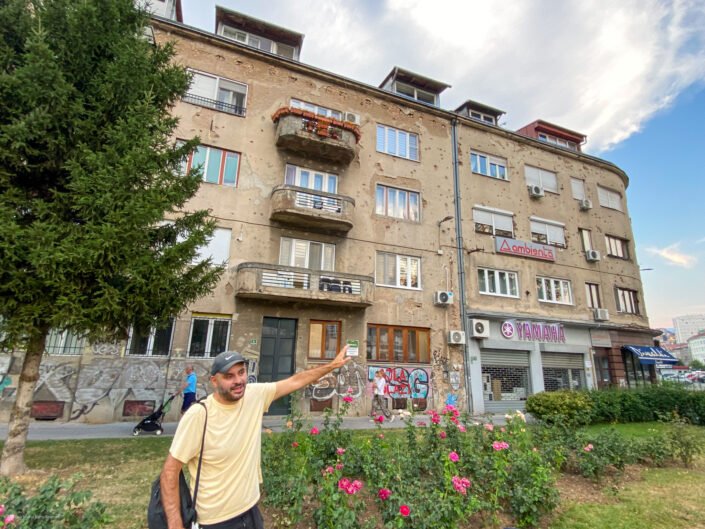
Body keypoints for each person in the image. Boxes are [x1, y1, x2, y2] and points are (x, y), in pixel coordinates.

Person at [159, 345, 350, 529]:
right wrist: (175, 524)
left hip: (251, 511)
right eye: (229, 376)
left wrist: (331, 366)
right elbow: (170, 472)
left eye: (241, 373)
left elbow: (295, 381)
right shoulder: (199, 415)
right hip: (215, 520)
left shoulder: (254, 395)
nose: (238, 380)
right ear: (214, 381)